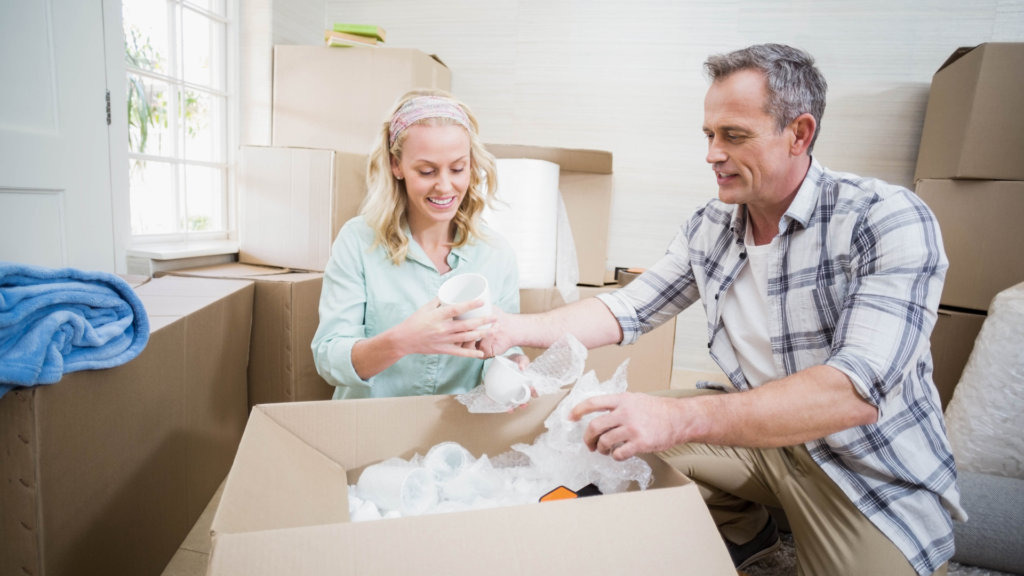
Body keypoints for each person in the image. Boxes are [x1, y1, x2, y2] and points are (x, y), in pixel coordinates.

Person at [476, 45, 964, 576]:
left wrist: (677, 419)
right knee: (606, 431)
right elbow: (625, 309)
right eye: (709, 135)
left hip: (866, 468)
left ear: (799, 134)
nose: (712, 153)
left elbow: (852, 394)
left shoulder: (885, 219)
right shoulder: (711, 225)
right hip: (761, 439)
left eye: (733, 136)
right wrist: (508, 330)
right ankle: (744, 530)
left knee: (658, 422)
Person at [312, 89, 529, 400]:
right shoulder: (358, 242)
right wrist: (404, 340)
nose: (444, 186)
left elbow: (498, 348)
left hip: (457, 435)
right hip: (371, 432)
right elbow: (328, 358)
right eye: (426, 171)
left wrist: (510, 365)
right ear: (396, 166)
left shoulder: (496, 254)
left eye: (457, 168)